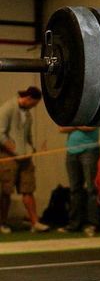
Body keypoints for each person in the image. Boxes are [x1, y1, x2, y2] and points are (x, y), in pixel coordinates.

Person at [0, 86, 49, 233]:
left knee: (28, 189)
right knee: (6, 192)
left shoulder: (28, 115)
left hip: (25, 159)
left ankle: (35, 222)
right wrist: (15, 151)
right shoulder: (7, 108)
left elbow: (28, 137)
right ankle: (2, 223)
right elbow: (1, 135)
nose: (33, 107)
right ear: (28, 98)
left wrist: (31, 149)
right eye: (33, 104)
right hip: (8, 157)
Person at [58, 126, 100, 236]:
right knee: (75, 190)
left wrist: (73, 126)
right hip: (71, 151)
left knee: (92, 189)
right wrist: (79, 125)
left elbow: (91, 127)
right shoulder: (71, 112)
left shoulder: (92, 110)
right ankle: (74, 224)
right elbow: (61, 128)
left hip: (90, 150)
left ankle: (93, 223)